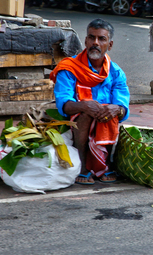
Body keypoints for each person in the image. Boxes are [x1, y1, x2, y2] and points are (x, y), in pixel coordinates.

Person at [50, 18, 130, 185]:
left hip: (104, 121)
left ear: (110, 44)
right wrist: (83, 105)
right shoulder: (69, 68)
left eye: (101, 39)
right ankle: (83, 167)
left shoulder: (116, 72)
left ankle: (105, 165)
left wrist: (116, 109)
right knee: (86, 114)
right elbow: (63, 104)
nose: (95, 43)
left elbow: (123, 106)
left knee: (111, 112)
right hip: (74, 124)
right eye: (91, 37)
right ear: (85, 41)